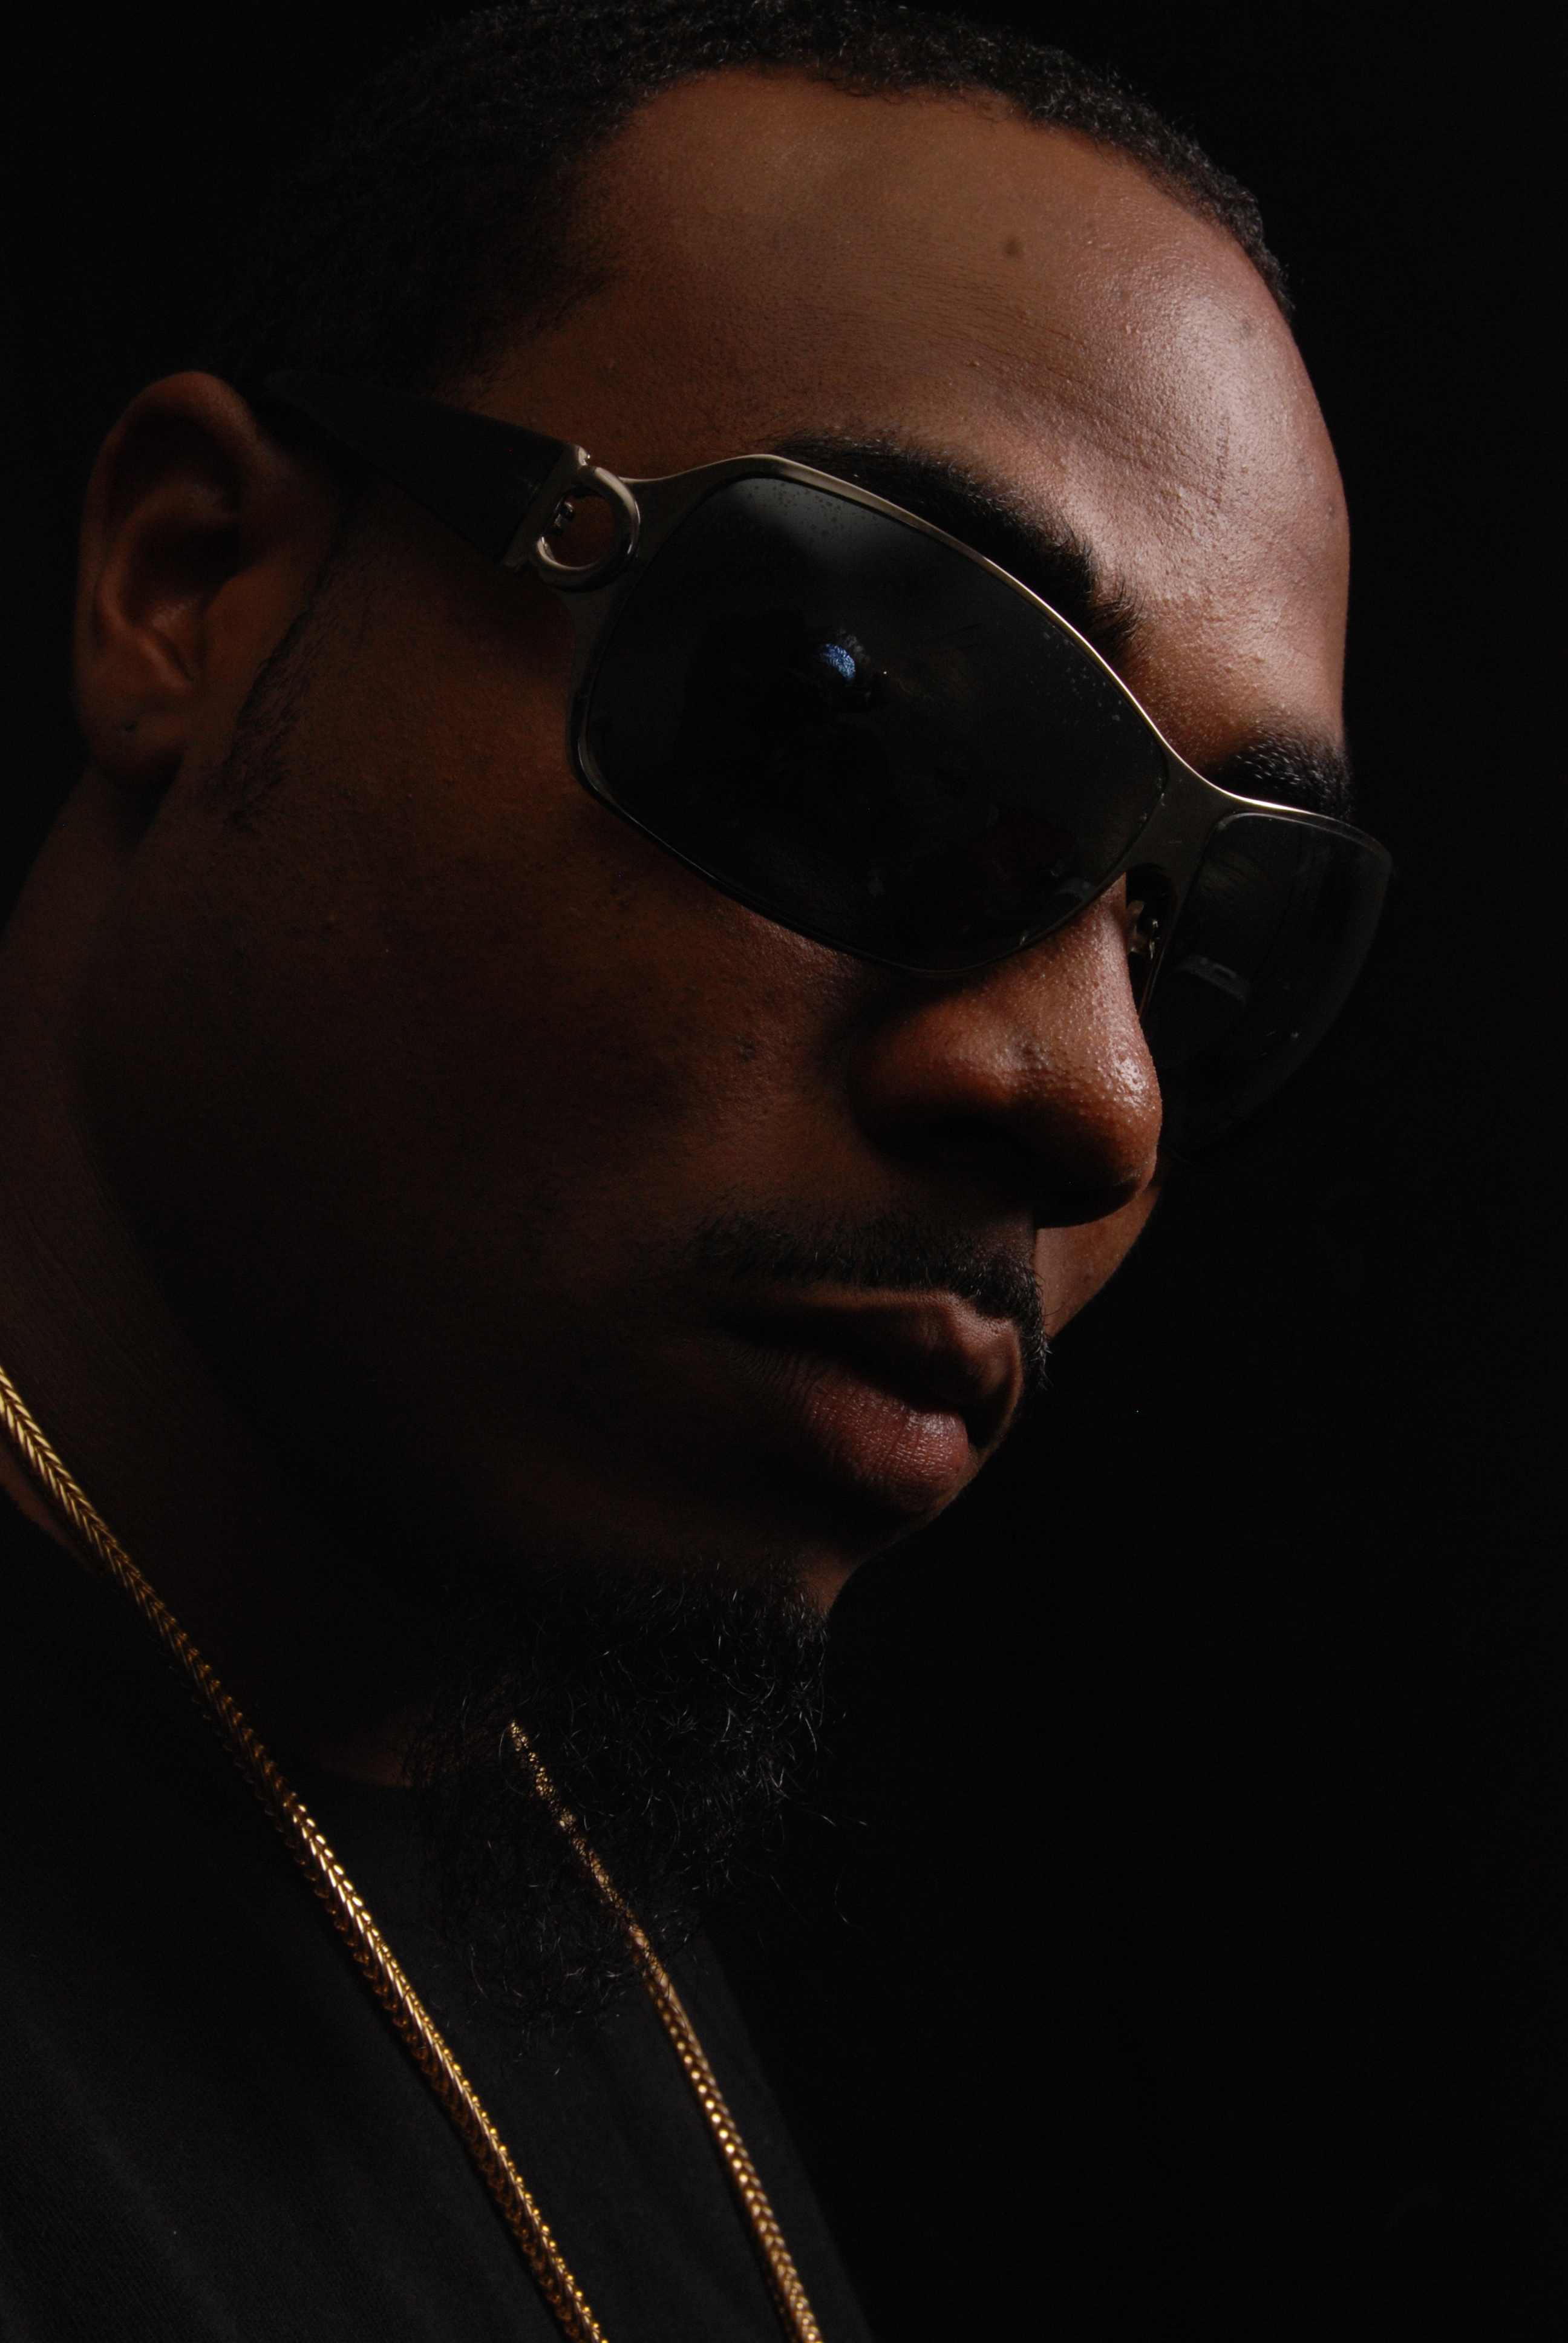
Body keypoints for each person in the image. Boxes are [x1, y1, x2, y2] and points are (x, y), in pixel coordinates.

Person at [0, 4, 1387, 2335]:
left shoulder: (517, 1813)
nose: (1101, 1099)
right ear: (194, 583)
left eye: (1216, 940)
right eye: (855, 727)